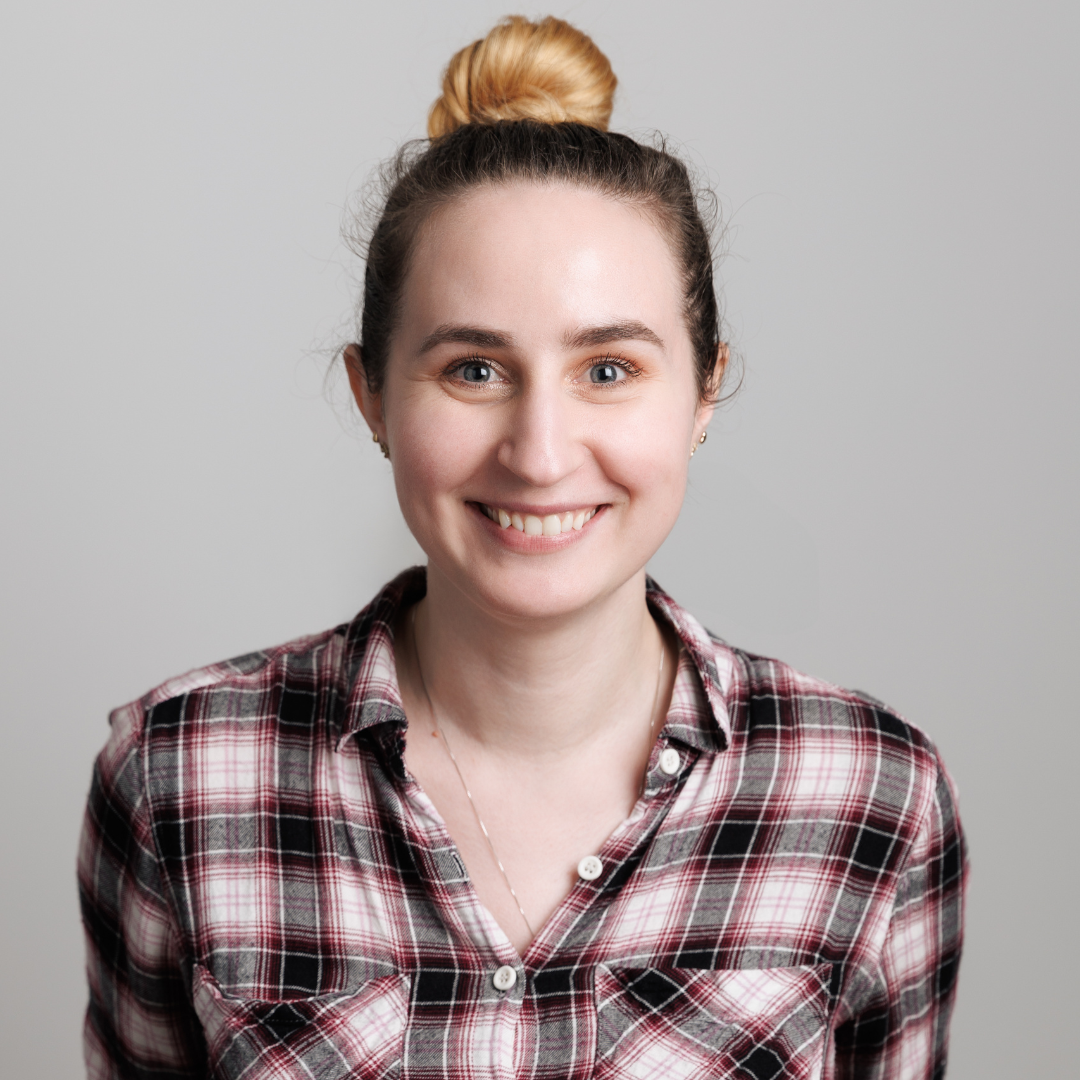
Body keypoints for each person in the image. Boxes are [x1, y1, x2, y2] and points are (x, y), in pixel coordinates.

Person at [78, 15, 967, 1079]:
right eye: (473, 370)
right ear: (373, 395)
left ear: (703, 390)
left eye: (608, 370)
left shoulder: (872, 798)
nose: (541, 456)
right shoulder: (179, 778)